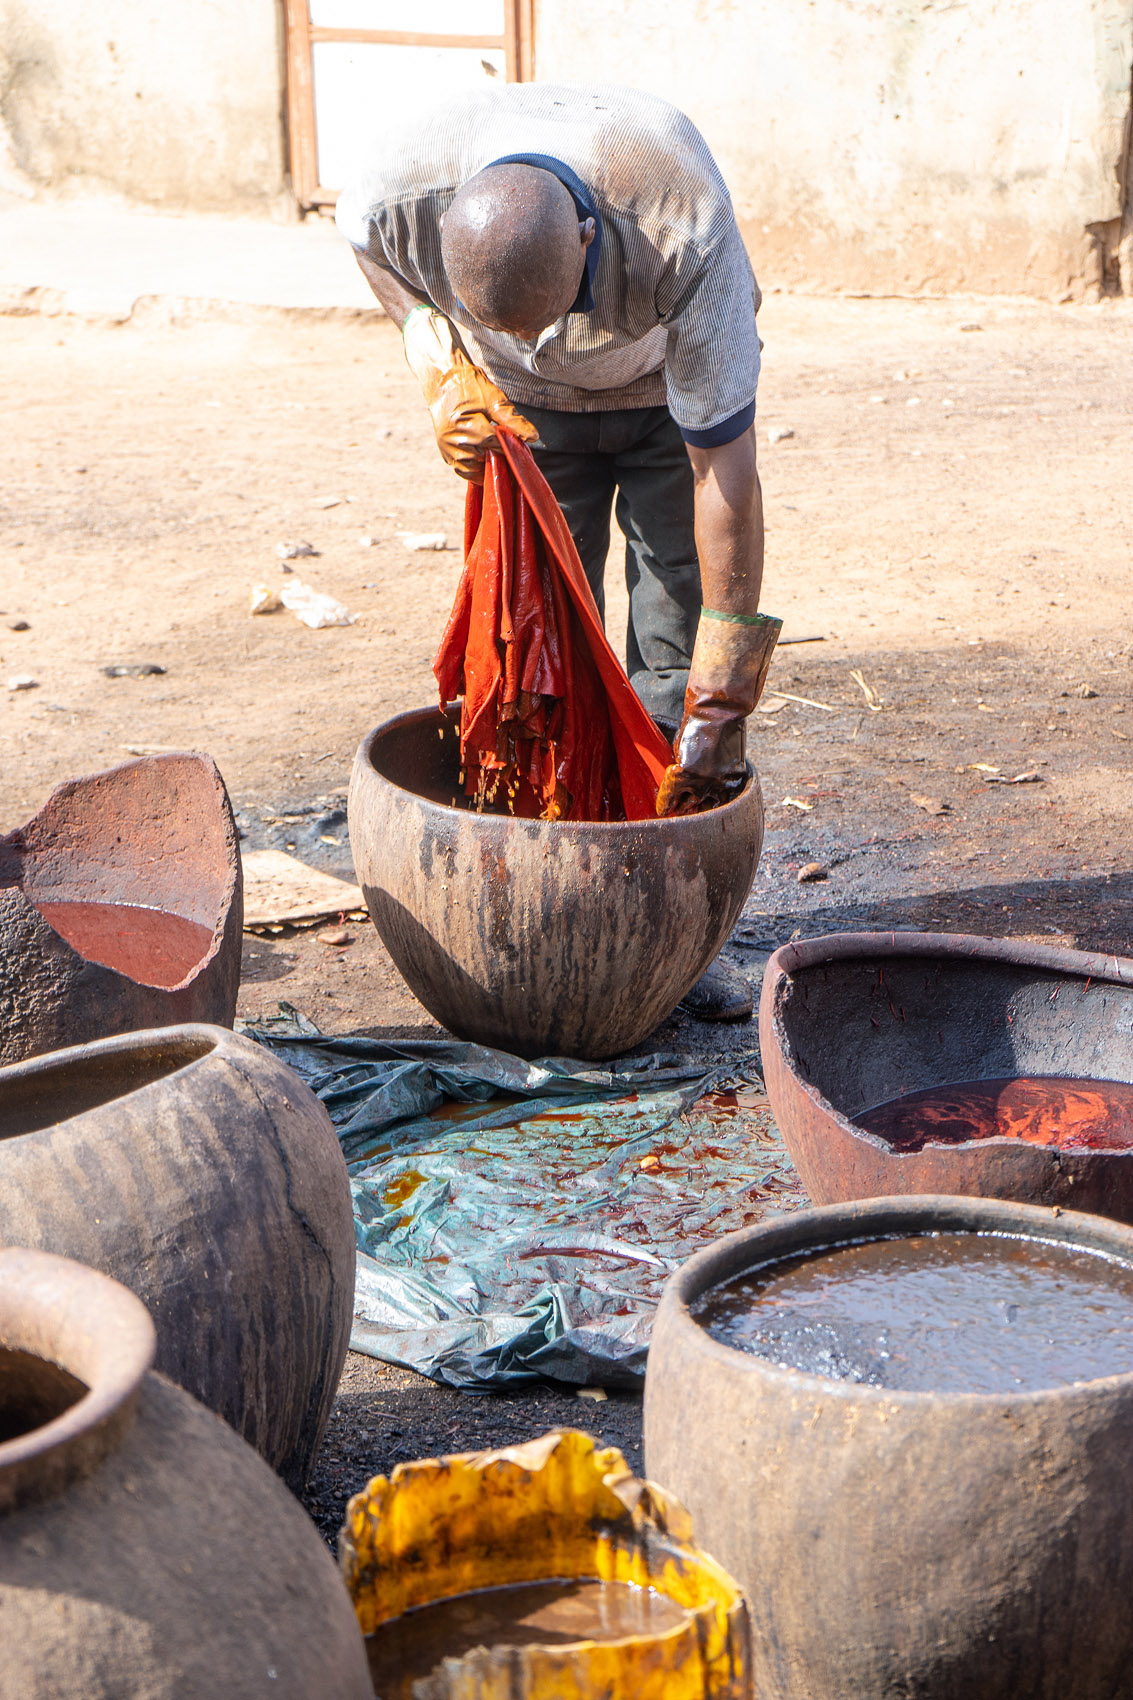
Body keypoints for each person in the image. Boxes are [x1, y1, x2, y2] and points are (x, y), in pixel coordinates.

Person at [337, 82, 780, 1020]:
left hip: (664, 406)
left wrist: (724, 691)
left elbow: (724, 478)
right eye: (509, 327)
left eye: (553, 315)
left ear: (586, 240)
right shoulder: (394, 189)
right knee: (536, 663)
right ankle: (543, 897)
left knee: (671, 650)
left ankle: (666, 925)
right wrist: (437, 364)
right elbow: (367, 250)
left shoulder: (681, 223)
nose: (542, 345)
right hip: (525, 423)